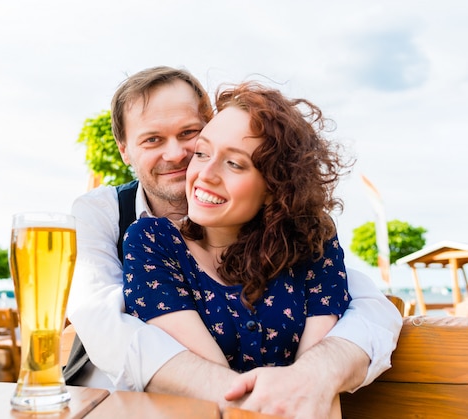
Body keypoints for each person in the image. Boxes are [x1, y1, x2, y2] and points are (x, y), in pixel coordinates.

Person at [65, 66, 402, 418]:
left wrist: (313, 376)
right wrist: (256, 401)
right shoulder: (114, 220)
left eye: (189, 134)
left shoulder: (299, 232)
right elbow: (101, 320)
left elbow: (364, 302)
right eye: (152, 139)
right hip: (104, 395)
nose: (177, 154)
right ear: (124, 151)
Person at [122, 81, 352, 417]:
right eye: (202, 153)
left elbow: (314, 387)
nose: (204, 174)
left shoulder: (313, 239)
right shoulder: (152, 242)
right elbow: (219, 389)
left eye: (235, 164)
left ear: (276, 187)